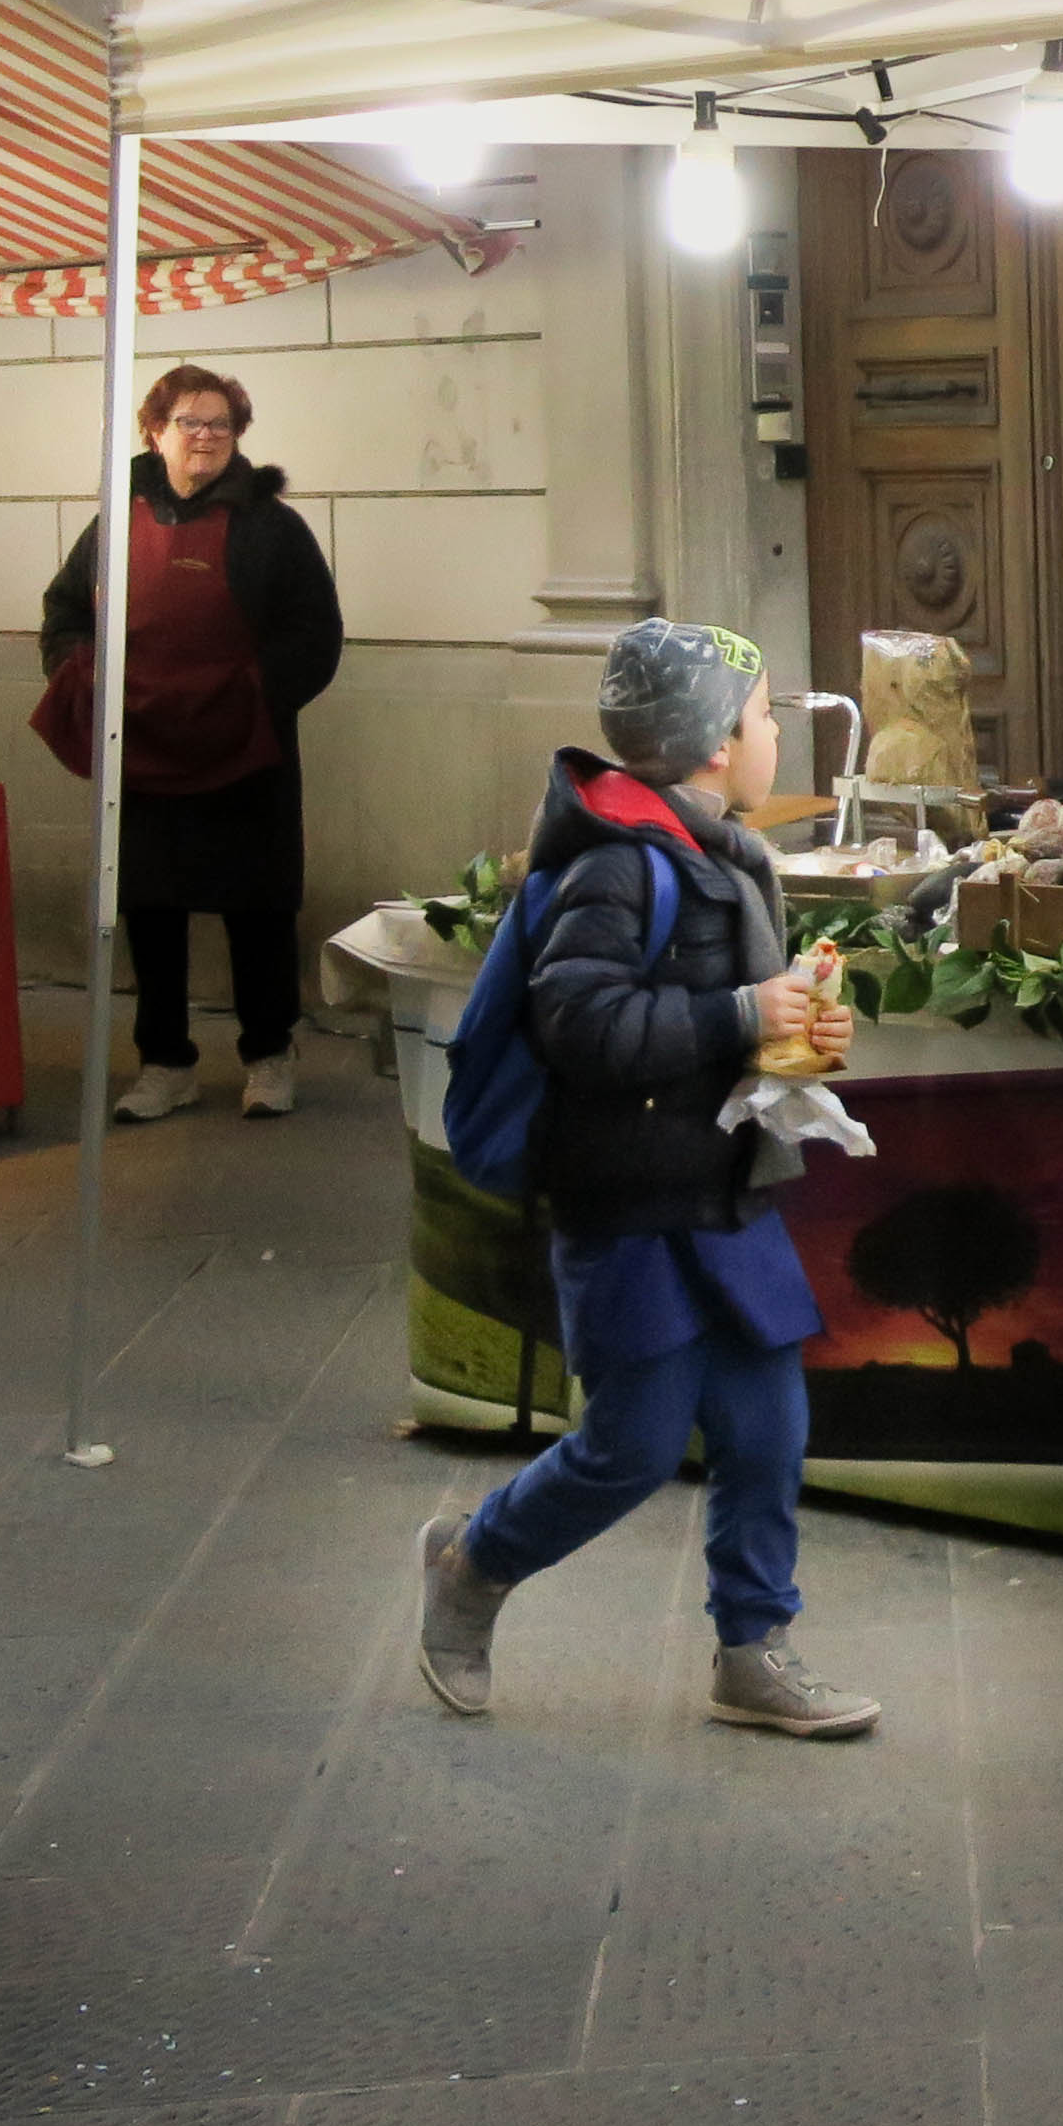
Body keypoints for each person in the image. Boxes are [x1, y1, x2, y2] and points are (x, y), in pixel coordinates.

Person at [413, 619, 880, 1743]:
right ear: (717, 742)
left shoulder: (720, 845)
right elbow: (580, 1024)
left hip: (724, 1198)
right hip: (626, 1209)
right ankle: (474, 1567)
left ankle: (753, 1651)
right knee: (630, 1445)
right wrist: (736, 1014)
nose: (774, 731)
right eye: (766, 713)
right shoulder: (619, 861)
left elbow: (716, 1022)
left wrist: (793, 1038)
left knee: (768, 1429)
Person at [37, 366, 341, 1122]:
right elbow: (66, 608)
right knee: (152, 908)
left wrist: (250, 699)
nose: (204, 436)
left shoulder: (273, 526)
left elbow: (315, 631)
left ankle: (270, 1057)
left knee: (258, 909)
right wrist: (87, 678)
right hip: (141, 750)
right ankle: (165, 1064)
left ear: (237, 436)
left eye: (219, 424)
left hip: (245, 752)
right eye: (188, 422)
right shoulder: (115, 519)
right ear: (154, 431)